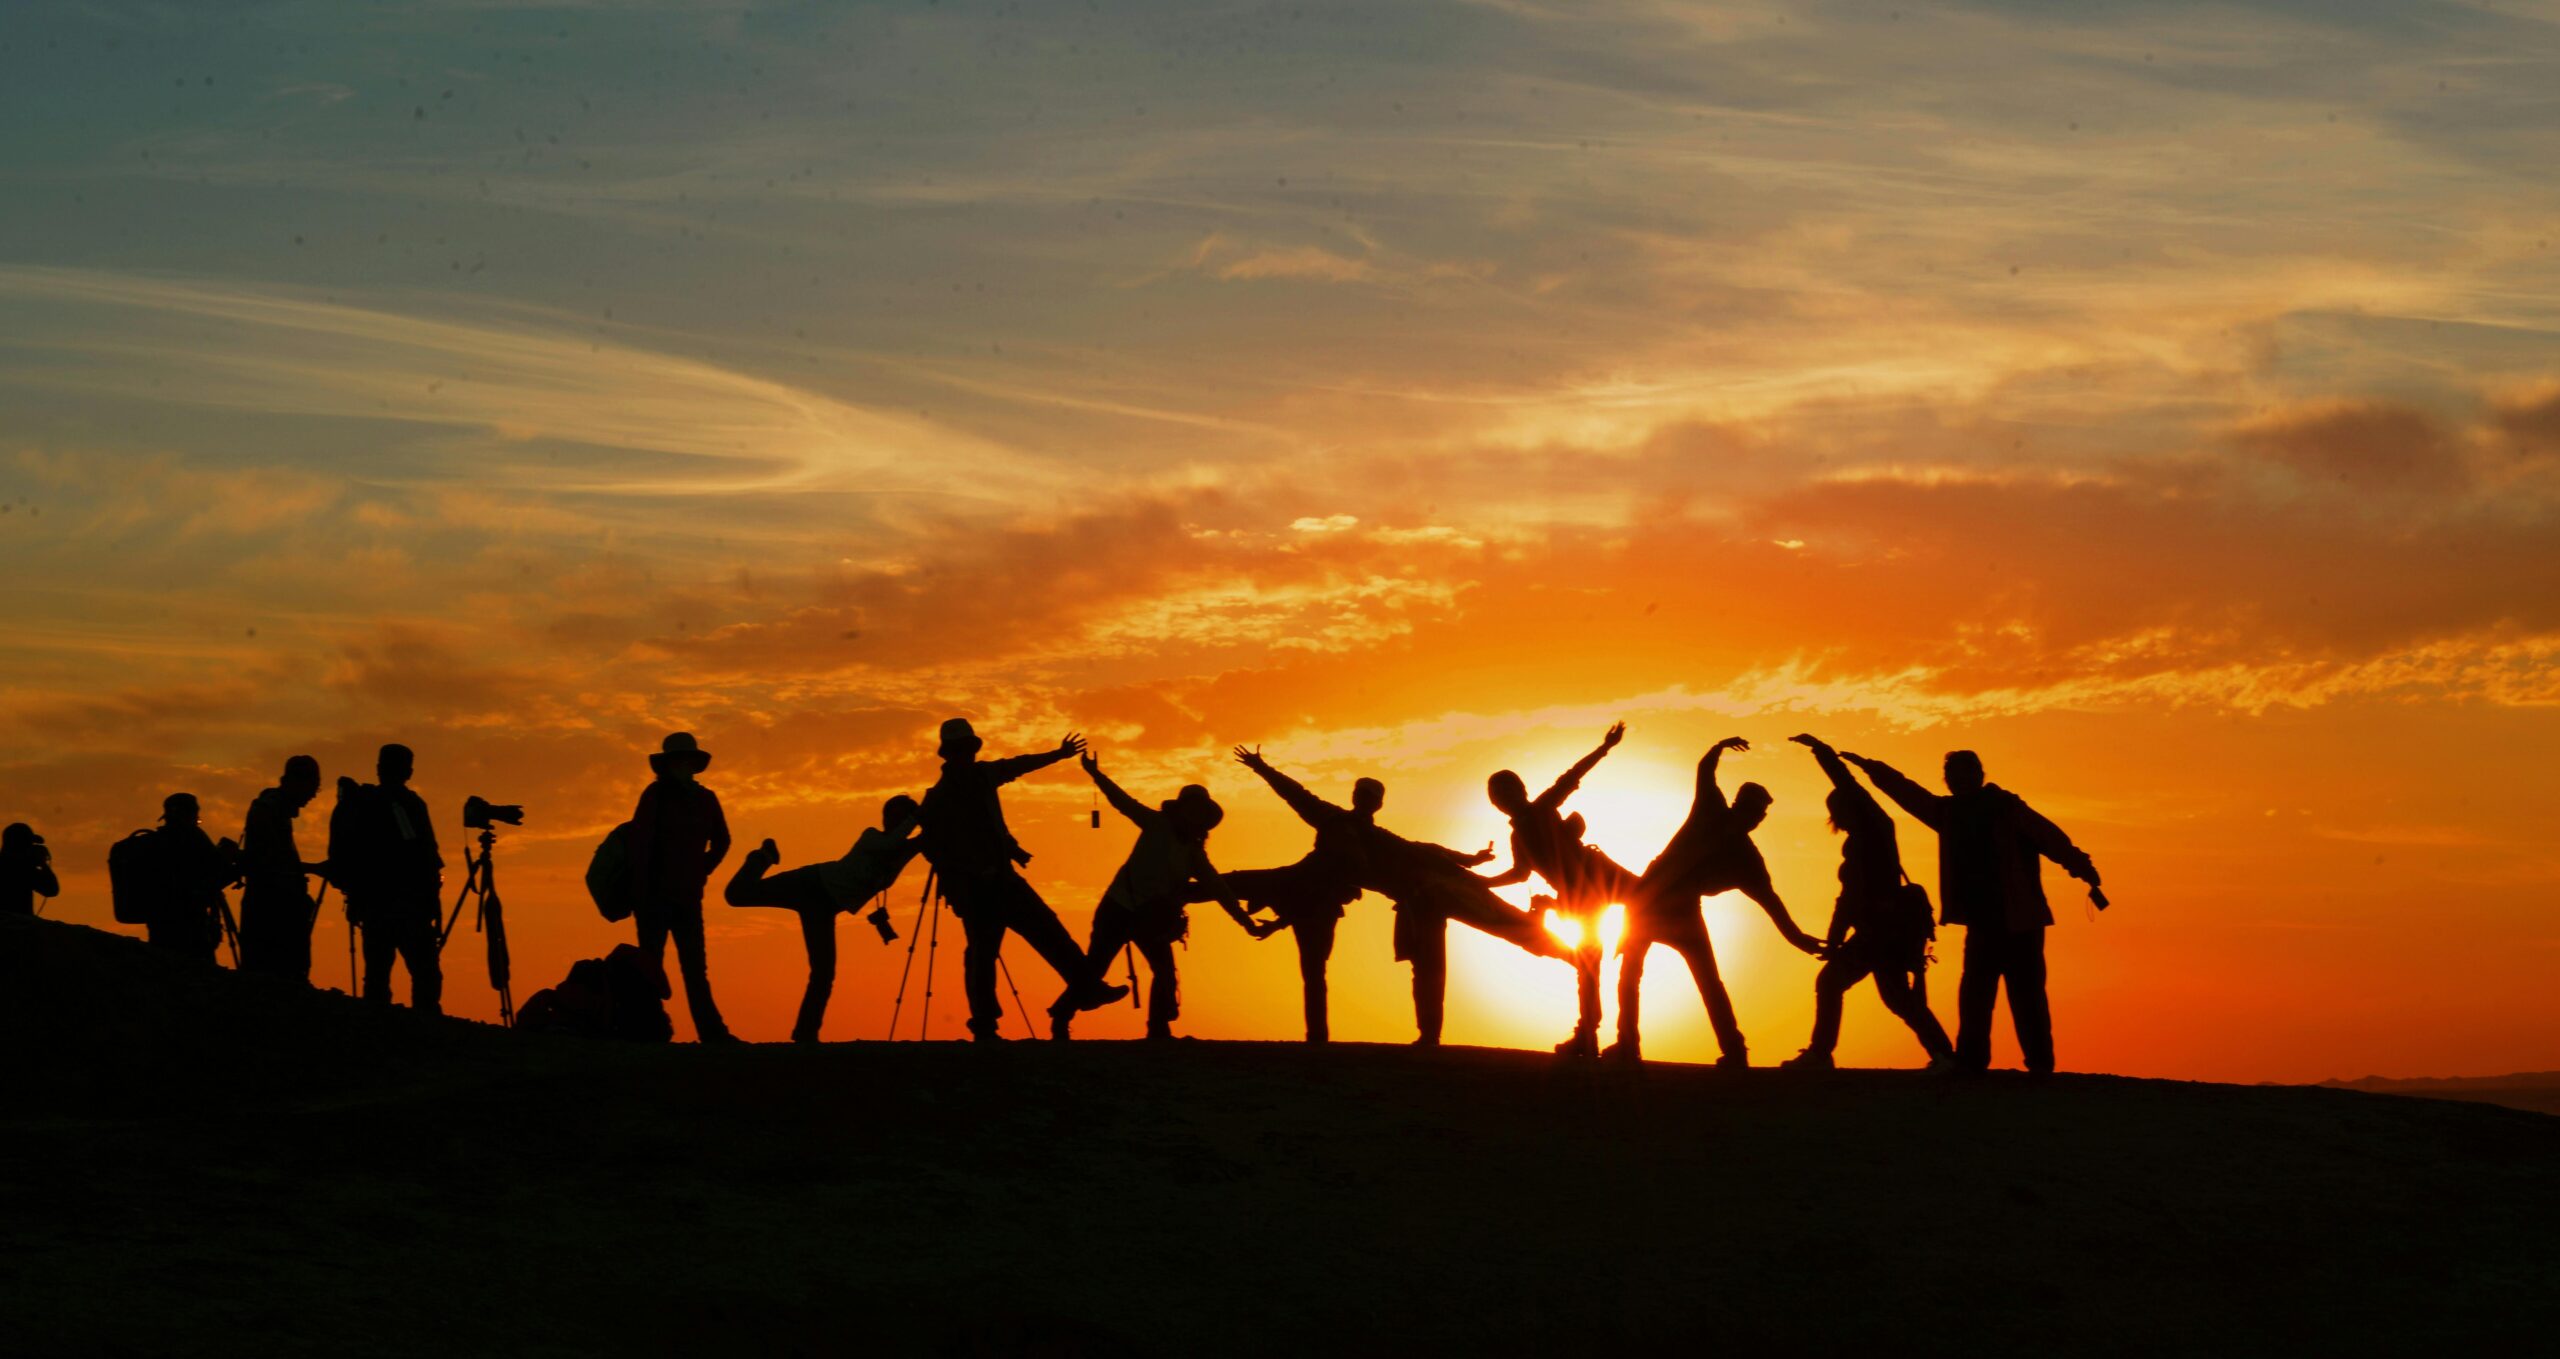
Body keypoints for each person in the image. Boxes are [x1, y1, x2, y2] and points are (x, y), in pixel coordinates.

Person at [1232, 746, 1567, 1047]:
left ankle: (1573, 956)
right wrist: (1262, 769)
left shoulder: (1377, 835)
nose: (1365, 799)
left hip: (1438, 891)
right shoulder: (1333, 822)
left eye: (1370, 795)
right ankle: (1429, 1036)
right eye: (1362, 793)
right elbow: (1298, 796)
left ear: (1376, 803)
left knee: (1510, 931)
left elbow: (1423, 850)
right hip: (1420, 900)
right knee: (1431, 965)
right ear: (1357, 797)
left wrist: (1469, 861)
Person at [1841, 747, 2103, 1076]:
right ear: (1948, 781)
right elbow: (1909, 794)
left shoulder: (2008, 809)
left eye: (1965, 775)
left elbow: (2050, 838)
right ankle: (1972, 1063)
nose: (1959, 782)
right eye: (1953, 777)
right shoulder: (1948, 814)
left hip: (2020, 922)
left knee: (2026, 998)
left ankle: (2039, 1066)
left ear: (1980, 776)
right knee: (1976, 997)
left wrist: (2083, 868)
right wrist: (1872, 768)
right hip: (1982, 924)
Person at [1614, 738, 1825, 1067]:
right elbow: (1705, 770)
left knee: (1702, 981)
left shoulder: (1745, 857)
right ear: (1740, 807)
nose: (1753, 818)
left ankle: (1732, 1050)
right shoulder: (1713, 813)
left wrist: (1798, 938)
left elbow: (1771, 902)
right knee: (1634, 974)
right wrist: (1719, 747)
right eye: (1751, 811)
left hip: (1675, 911)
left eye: (1757, 814)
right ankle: (1629, 1045)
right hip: (1649, 903)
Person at [916, 719, 1126, 1042]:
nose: (967, 755)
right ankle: (986, 1025)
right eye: (962, 750)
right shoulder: (939, 798)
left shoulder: (982, 776)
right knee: (983, 956)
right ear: (950, 754)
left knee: (1048, 932)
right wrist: (971, 871)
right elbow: (932, 848)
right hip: (976, 892)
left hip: (1003, 881)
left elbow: (1019, 766)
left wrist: (1058, 755)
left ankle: (1087, 989)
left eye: (968, 749)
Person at [1778, 735, 1953, 1071]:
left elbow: (1849, 785)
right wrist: (1835, 938)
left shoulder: (1876, 831)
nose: (1837, 818)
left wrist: (1823, 752)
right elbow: (1846, 900)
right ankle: (1945, 1056)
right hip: (1879, 932)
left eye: (1839, 810)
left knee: (1832, 984)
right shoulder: (1860, 841)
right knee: (1898, 999)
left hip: (1880, 932)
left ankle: (1820, 1054)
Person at [1480, 722, 1642, 1057]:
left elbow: (1570, 778)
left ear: (1520, 791)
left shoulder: (1541, 809)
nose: (1502, 801)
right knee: (1589, 967)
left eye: (1505, 793)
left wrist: (1605, 747)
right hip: (1579, 899)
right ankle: (1589, 1034)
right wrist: (1484, 881)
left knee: (1654, 902)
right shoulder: (1517, 835)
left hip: (1599, 877)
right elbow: (1520, 873)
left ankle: (1615, 1038)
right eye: (1497, 797)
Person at [1060, 752, 1240, 1042]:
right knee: (1095, 968)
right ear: (1182, 809)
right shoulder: (1157, 824)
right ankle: (1061, 1015)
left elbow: (1217, 886)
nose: (1195, 814)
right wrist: (1096, 775)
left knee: (1165, 973)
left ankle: (1158, 1031)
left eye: (1200, 810)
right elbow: (1122, 802)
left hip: (1151, 917)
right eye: (1192, 808)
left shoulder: (1194, 852)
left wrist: (1242, 919)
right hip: (1118, 908)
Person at [725, 795, 927, 1043]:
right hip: (811, 883)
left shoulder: (903, 849)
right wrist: (916, 818)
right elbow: (892, 843)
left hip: (824, 907)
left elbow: (925, 841)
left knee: (823, 972)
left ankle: (805, 1033)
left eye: (900, 817)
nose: (892, 821)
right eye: (891, 816)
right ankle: (762, 858)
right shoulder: (872, 836)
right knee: (736, 895)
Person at [626, 732, 738, 1044]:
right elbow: (640, 843)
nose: (683, 765)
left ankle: (712, 1034)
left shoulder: (705, 799)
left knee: (693, 969)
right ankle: (647, 1032)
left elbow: (722, 841)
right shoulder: (656, 796)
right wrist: (641, 889)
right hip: (654, 896)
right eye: (679, 760)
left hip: (687, 896)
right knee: (651, 965)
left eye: (686, 760)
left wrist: (701, 870)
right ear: (670, 764)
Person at [330, 744, 445, 1015]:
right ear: (408, 771)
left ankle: (377, 1031)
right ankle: (424, 1030)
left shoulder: (361, 804)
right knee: (424, 973)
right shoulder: (409, 805)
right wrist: (433, 905)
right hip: (407, 906)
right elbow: (425, 855)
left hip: (374, 904)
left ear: (379, 769)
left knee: (378, 975)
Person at [238, 756, 329, 983]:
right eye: (312, 788)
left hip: (271, 908)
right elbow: (268, 864)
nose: (313, 795)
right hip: (271, 912)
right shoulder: (270, 811)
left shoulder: (274, 810)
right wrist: (312, 869)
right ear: (296, 783)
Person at [148, 794, 241, 962]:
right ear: (191, 813)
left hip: (160, 925)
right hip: (189, 925)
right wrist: (232, 865)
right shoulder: (192, 837)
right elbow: (215, 872)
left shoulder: (157, 841)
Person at [1, 823, 60, 917]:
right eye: (29, 844)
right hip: (17, 925)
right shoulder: (22, 868)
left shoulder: (22, 866)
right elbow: (51, 889)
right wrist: (43, 864)